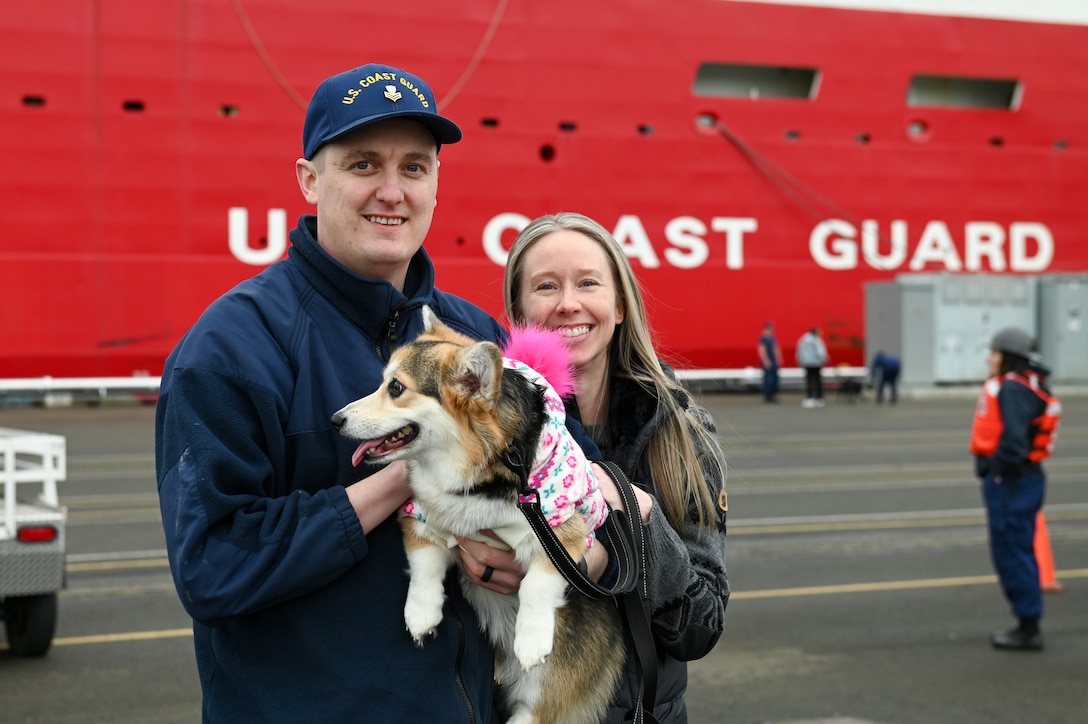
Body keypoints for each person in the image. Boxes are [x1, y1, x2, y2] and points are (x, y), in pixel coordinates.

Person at [155, 63, 538, 722]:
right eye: (363, 165)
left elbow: (564, 478)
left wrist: (557, 547)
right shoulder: (229, 351)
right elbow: (212, 567)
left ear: (437, 183)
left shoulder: (479, 337)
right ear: (309, 179)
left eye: (414, 168)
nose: (392, 191)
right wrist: (410, 472)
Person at [503, 212, 730, 724]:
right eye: (545, 286)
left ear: (621, 303)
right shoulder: (486, 430)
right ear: (518, 310)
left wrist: (642, 516)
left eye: (588, 282)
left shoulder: (681, 433)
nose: (568, 304)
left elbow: (701, 627)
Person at [969, 327, 1061, 652]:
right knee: (1014, 549)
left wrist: (994, 468)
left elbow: (1013, 441)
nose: (989, 359)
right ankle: (1026, 620)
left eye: (994, 353)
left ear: (1008, 357)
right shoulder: (1026, 385)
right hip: (1020, 479)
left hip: (1014, 481)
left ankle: (1028, 626)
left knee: (1012, 552)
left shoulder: (1013, 389)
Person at [796, 326, 829, 408]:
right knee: (818, 380)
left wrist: (800, 360)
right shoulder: (817, 340)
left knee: (809, 380)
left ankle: (810, 398)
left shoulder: (804, 339)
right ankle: (819, 398)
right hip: (816, 363)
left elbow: (800, 350)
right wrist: (824, 359)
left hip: (807, 363)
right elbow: (820, 351)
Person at [757, 321, 783, 403]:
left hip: (773, 361)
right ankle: (768, 396)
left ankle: (773, 394)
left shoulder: (772, 338)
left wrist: (779, 357)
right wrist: (765, 360)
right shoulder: (763, 338)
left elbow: (776, 348)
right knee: (768, 379)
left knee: (775, 378)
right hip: (768, 361)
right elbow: (762, 349)